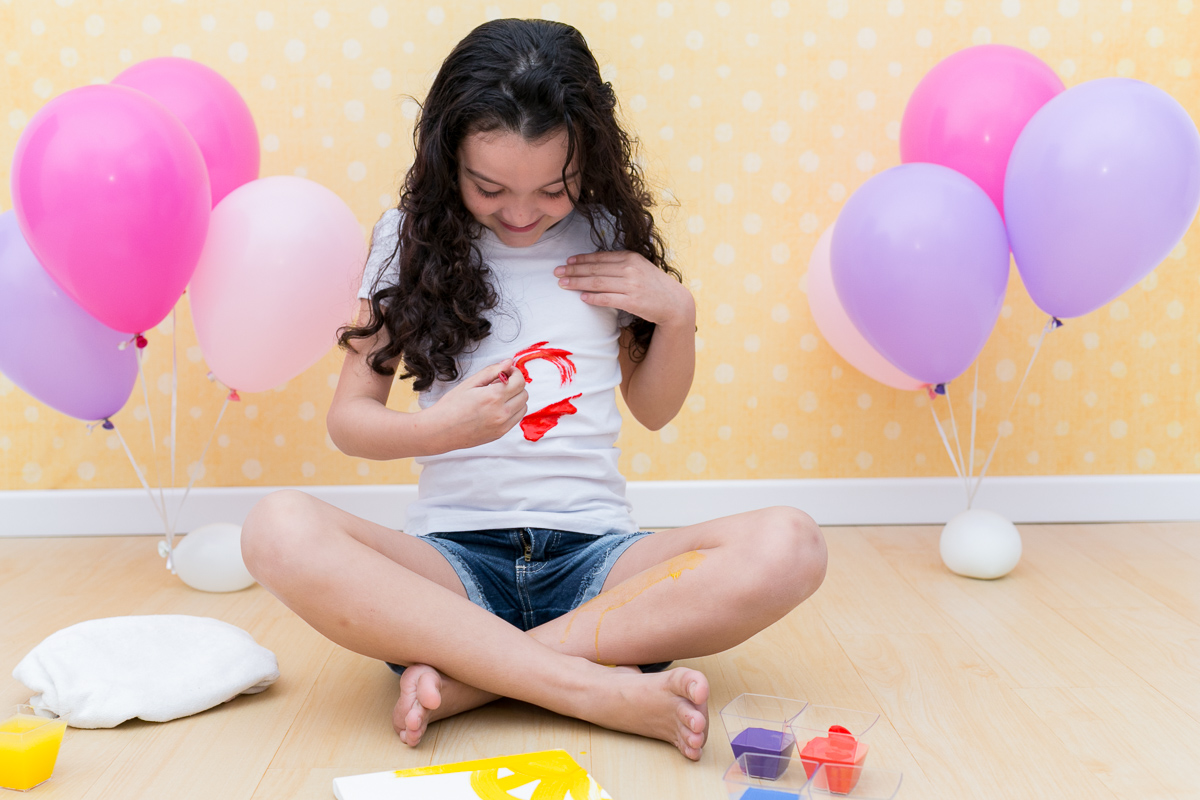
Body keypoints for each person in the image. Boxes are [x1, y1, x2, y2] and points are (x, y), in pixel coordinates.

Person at [240, 18, 826, 761]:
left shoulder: (610, 231)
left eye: (552, 189)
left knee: (793, 543)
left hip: (599, 568)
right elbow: (349, 422)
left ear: (590, 158)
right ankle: (593, 689)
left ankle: (477, 676)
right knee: (274, 527)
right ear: (449, 157)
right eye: (490, 188)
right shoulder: (405, 238)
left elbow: (654, 407)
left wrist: (678, 313)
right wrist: (440, 429)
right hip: (449, 573)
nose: (520, 213)